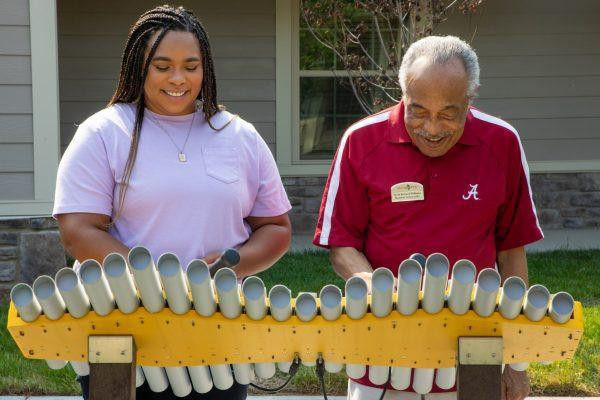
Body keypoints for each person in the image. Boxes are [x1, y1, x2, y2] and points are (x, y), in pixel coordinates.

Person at [53, 5, 292, 400]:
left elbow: (277, 227)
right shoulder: (104, 132)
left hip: (218, 327)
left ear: (205, 69)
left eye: (190, 65)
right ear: (138, 67)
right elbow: (77, 232)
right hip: (120, 325)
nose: (178, 78)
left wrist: (234, 265)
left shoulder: (239, 135)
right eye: (161, 66)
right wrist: (157, 284)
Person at [313, 36, 543, 400]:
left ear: (471, 98)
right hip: (382, 338)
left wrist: (517, 363)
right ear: (403, 93)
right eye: (418, 111)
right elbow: (342, 245)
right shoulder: (360, 141)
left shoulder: (502, 143)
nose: (432, 129)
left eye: (449, 113)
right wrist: (375, 287)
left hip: (478, 343)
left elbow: (512, 255)